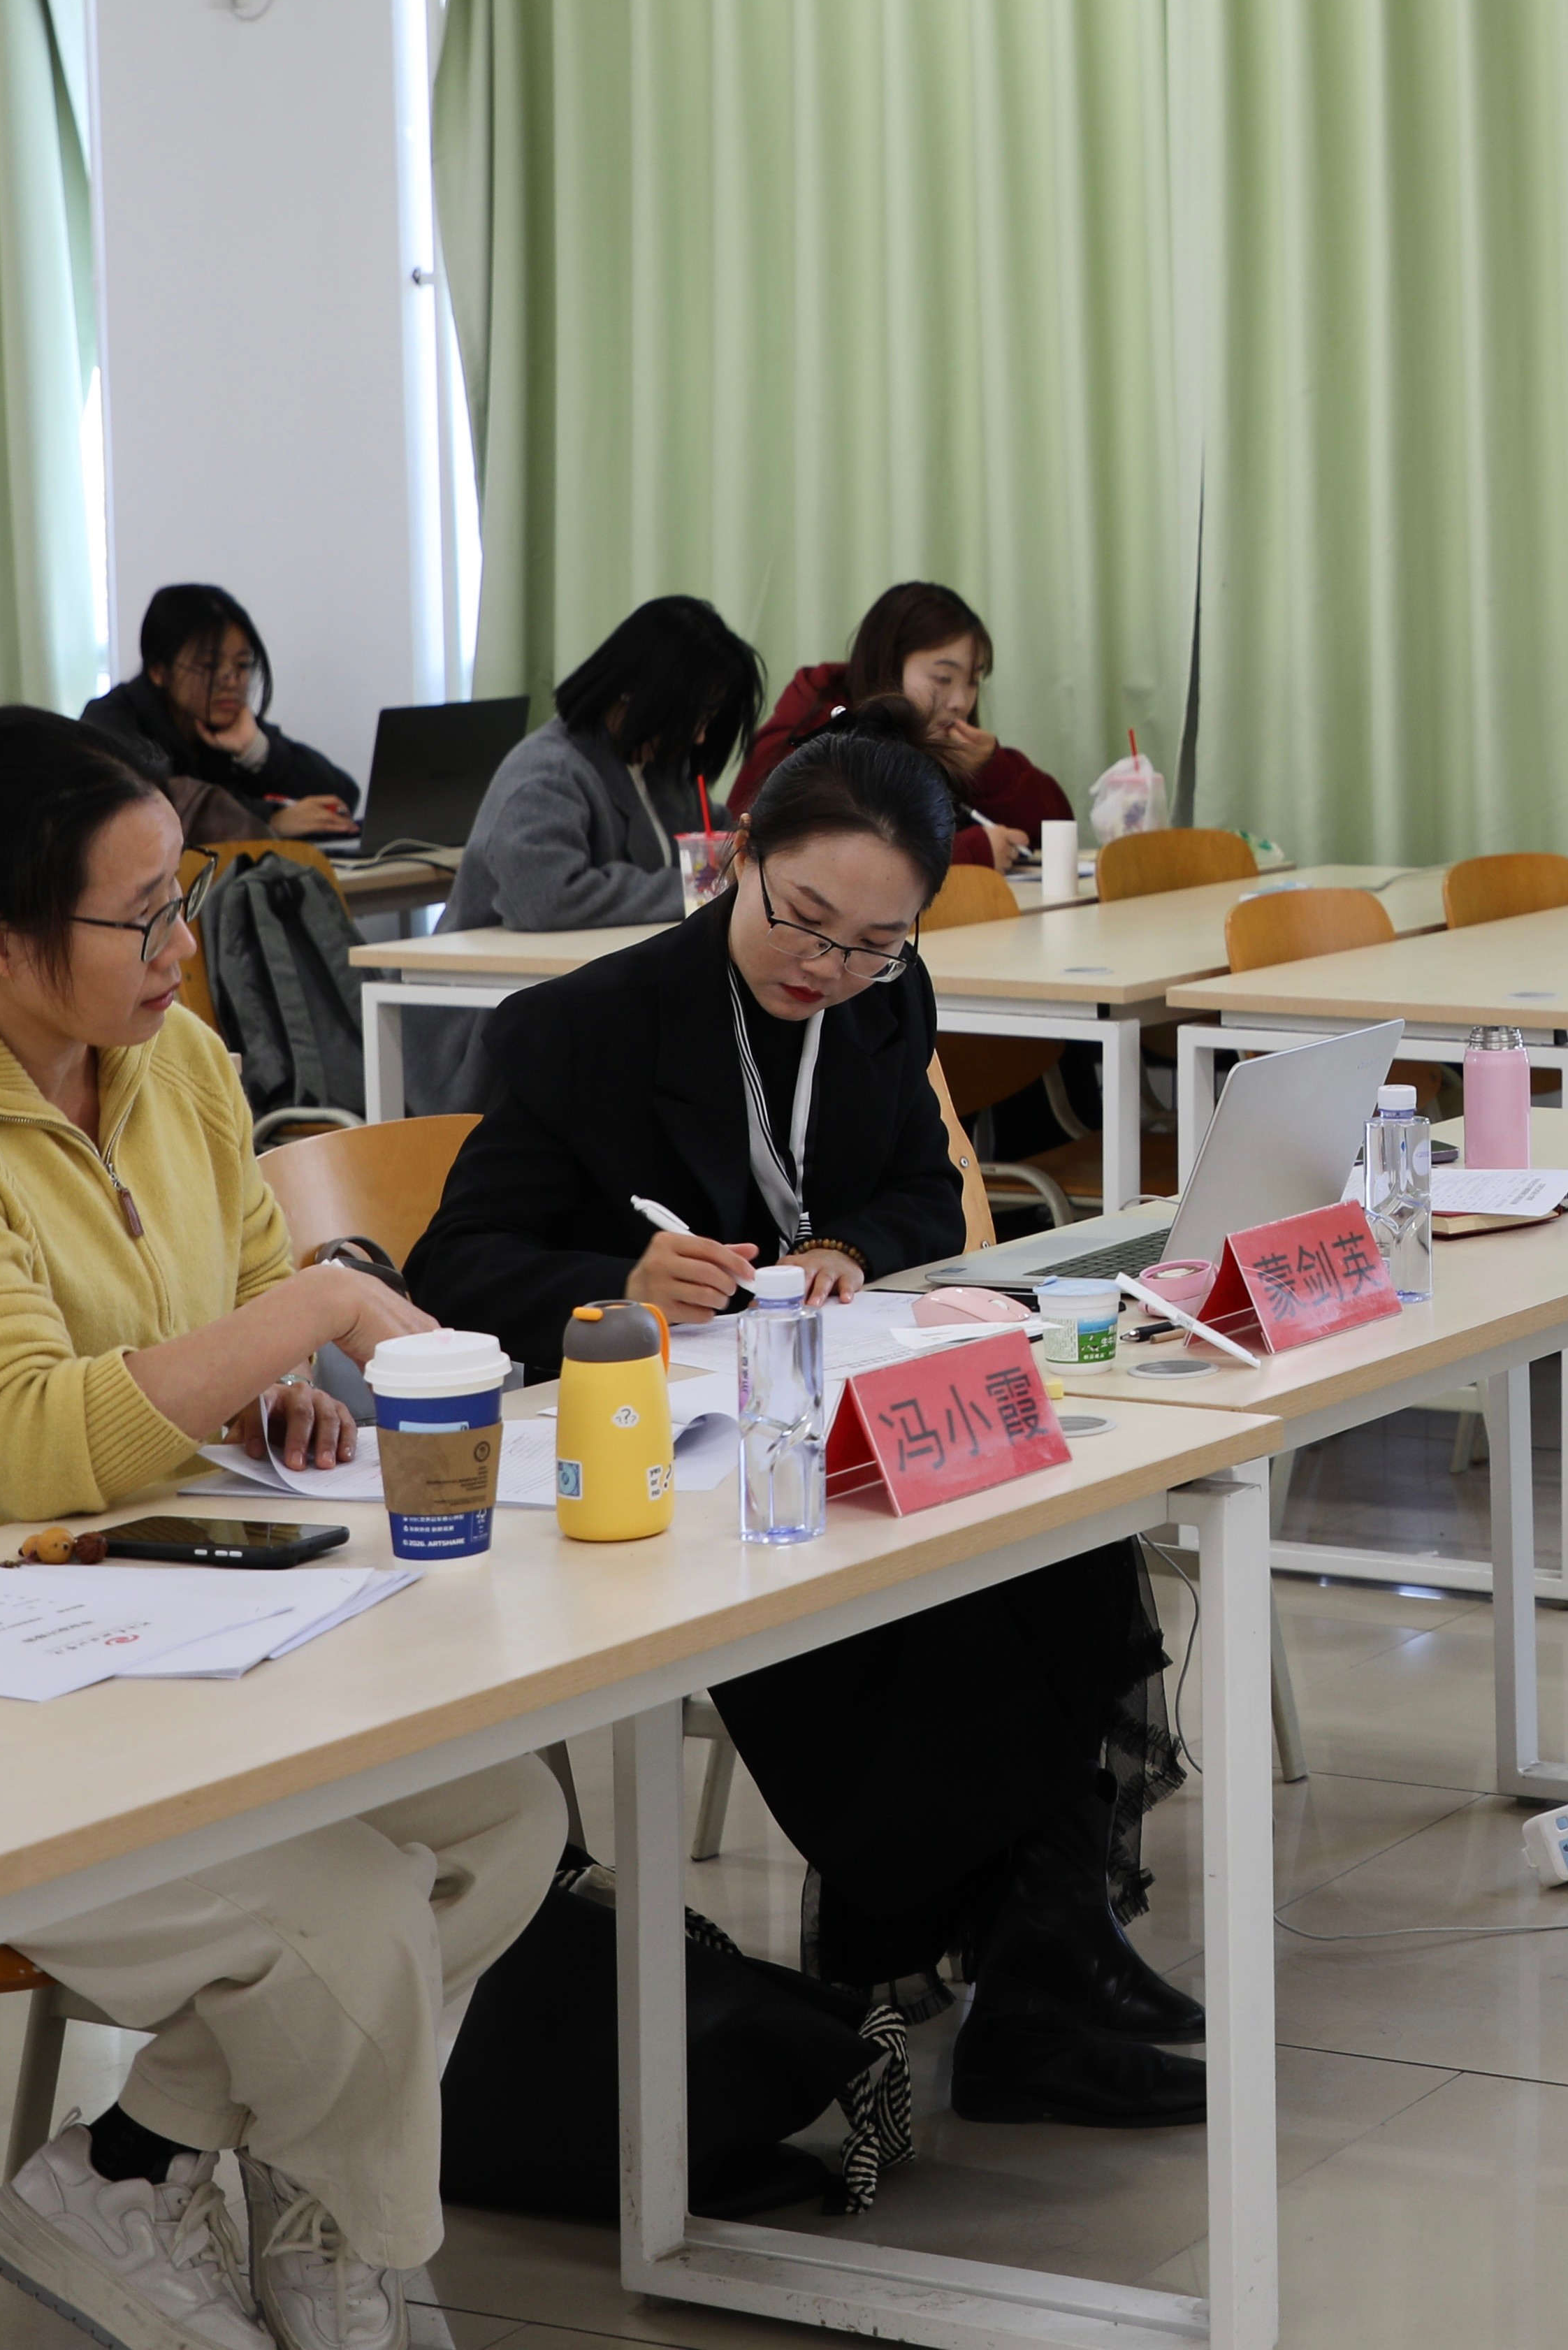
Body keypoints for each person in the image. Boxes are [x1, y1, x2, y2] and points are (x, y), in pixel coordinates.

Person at [0, 707, 560, 2350]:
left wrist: (276, 1384)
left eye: (179, 899)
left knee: (505, 1816)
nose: (181, 950)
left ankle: (133, 2170)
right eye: (139, 919)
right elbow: (24, 1441)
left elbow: (242, 1290)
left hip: (163, 1622)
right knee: (343, 1913)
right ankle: (343, 2240)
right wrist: (320, 1310)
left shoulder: (174, 1062)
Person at [405, 732, 1202, 2126]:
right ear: (741, 860)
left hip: (836, 1406)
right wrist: (618, 1280)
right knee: (935, 1604)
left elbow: (922, 1192)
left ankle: (1045, 1949)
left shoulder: (887, 1004)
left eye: (874, 945)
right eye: (804, 923)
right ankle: (1029, 1969)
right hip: (671, 1467)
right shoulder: (589, 1027)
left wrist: (845, 1246)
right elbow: (456, 1266)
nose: (826, 968)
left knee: (1058, 1537)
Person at [405, 596, 766, 1113]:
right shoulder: (546, 771)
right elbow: (545, 899)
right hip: (496, 1031)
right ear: (642, 693)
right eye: (696, 715)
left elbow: (724, 847)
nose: (703, 734)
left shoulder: (664, 771)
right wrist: (702, 886)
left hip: (595, 1010)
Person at [738, 581, 1068, 873]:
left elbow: (1059, 833)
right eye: (943, 678)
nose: (960, 702)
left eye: (973, 681)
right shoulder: (818, 725)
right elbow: (793, 858)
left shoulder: (947, 739)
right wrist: (969, 853)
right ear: (888, 668)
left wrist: (993, 768)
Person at [86, 584, 362, 841]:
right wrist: (269, 821)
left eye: (242, 665)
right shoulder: (111, 723)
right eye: (209, 666)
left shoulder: (227, 726)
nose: (231, 680)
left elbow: (342, 798)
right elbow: (146, 809)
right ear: (159, 671)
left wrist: (257, 751)